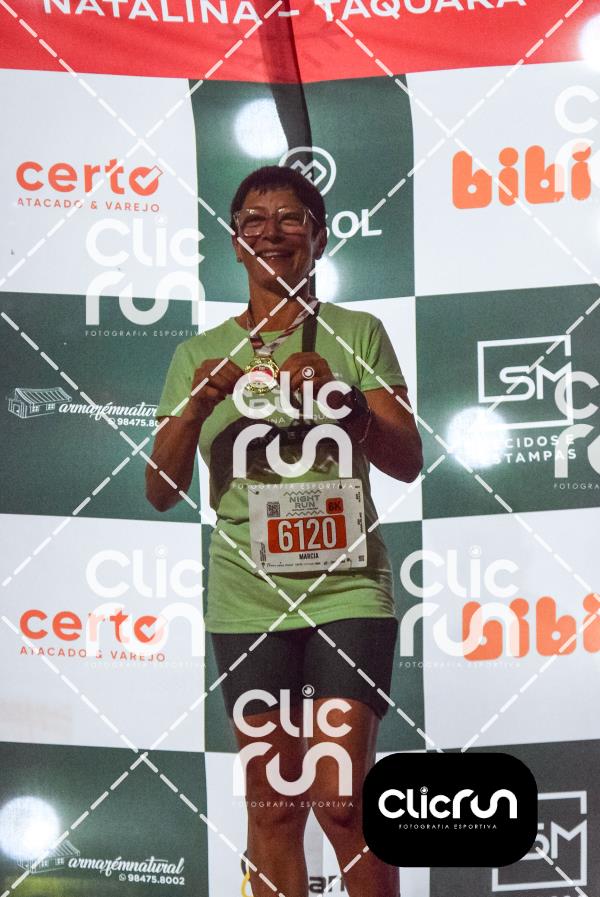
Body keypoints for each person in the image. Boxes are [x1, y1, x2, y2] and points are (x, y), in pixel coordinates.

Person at [146, 165, 422, 897]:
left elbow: (407, 460)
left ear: (319, 238)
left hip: (347, 590)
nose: (272, 232)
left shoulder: (357, 332)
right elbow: (161, 491)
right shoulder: (197, 354)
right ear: (235, 240)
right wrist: (198, 403)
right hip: (248, 596)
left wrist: (344, 401)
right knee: (272, 806)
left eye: (291, 218)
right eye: (254, 220)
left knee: (342, 799)